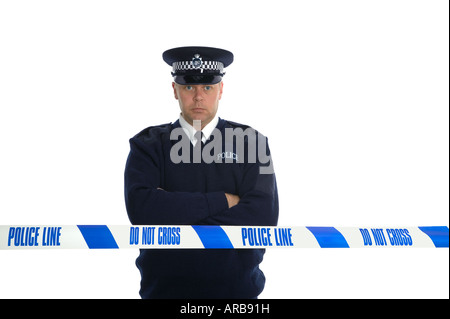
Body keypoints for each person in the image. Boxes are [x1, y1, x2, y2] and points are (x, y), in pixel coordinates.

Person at [124, 46, 279, 299]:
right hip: (164, 293)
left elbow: (262, 218)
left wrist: (172, 214)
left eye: (207, 87)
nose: (198, 97)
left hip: (237, 296)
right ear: (175, 90)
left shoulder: (252, 143)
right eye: (189, 87)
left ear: (221, 90)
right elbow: (142, 210)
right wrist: (224, 201)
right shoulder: (147, 145)